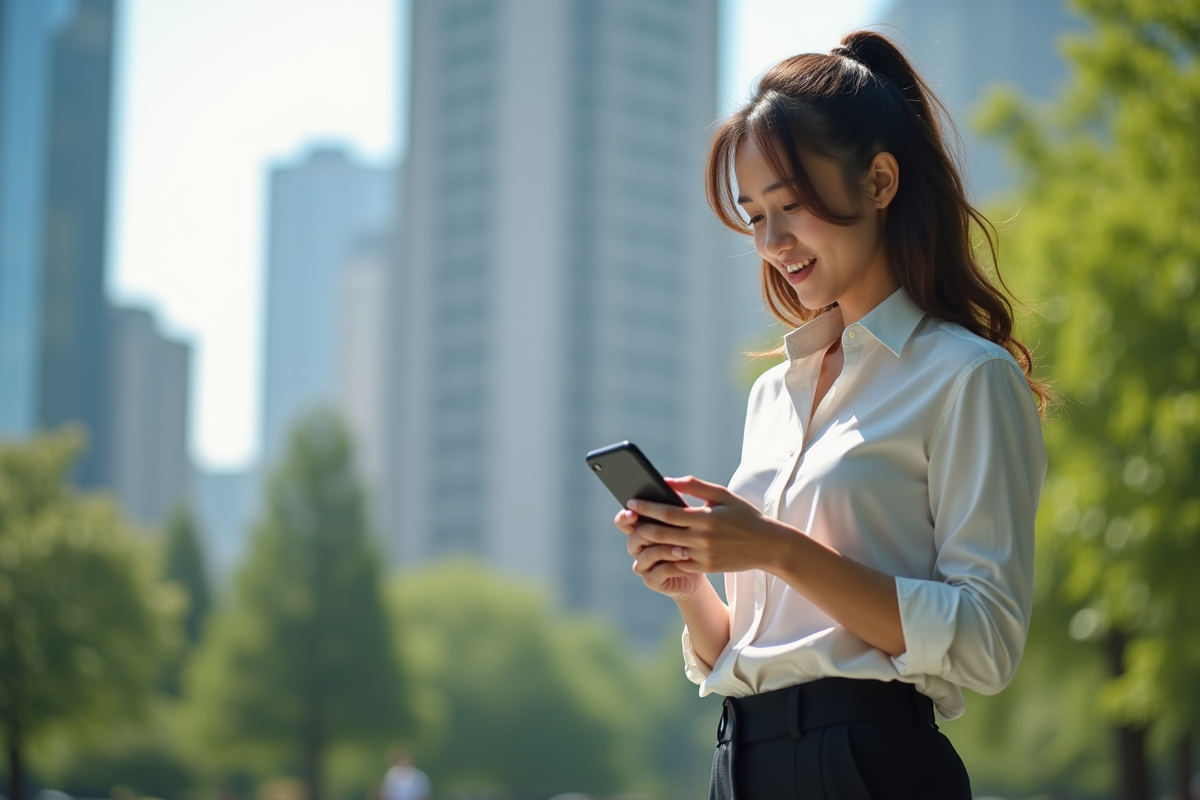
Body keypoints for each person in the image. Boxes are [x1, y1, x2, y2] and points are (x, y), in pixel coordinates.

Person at [614, 30, 1050, 799]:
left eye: (791, 206)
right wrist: (688, 585)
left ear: (879, 181)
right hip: (738, 761)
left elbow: (986, 644)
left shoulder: (966, 377)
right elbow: (754, 648)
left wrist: (775, 548)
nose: (774, 242)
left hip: (869, 768)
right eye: (753, 216)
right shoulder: (773, 394)